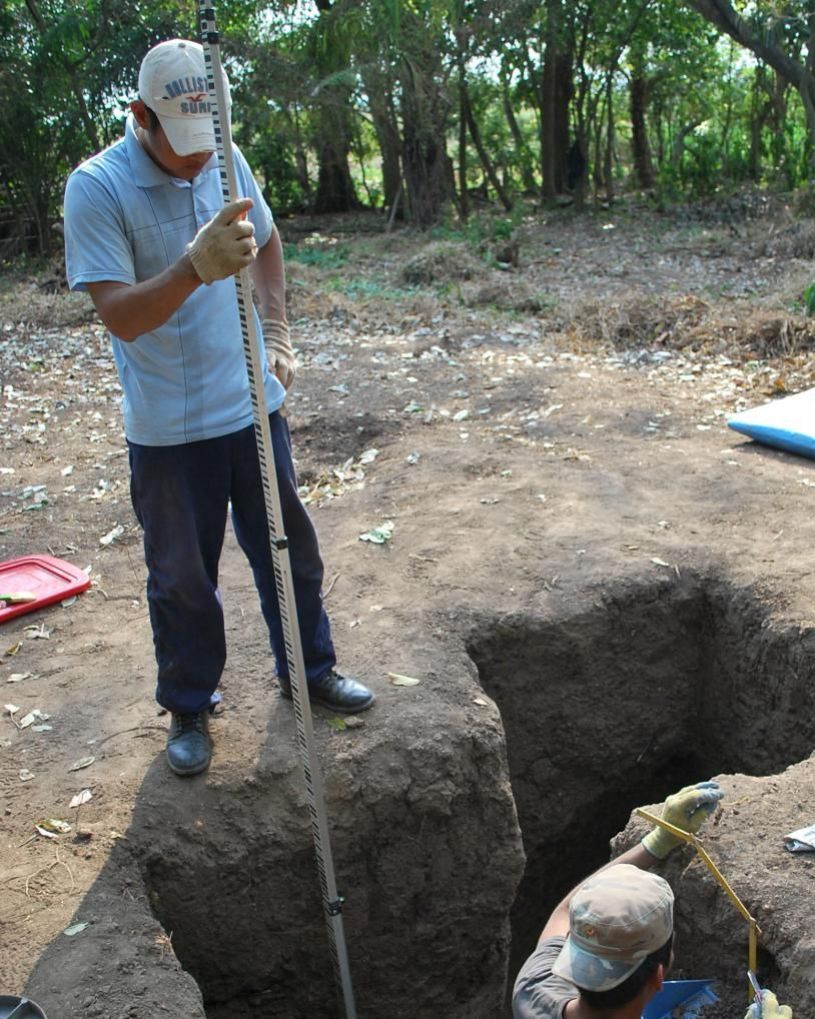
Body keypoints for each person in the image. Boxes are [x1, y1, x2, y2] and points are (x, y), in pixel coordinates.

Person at [63, 39, 374, 777]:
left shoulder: (225, 155)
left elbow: (265, 242)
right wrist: (192, 267)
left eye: (213, 145)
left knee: (288, 547)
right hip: (168, 429)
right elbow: (122, 316)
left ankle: (310, 669)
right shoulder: (97, 188)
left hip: (251, 407)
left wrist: (277, 330)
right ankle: (189, 704)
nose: (204, 163)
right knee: (181, 576)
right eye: (187, 149)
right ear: (142, 117)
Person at [512, 782, 793, 1019]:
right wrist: (656, 843)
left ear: (572, 962)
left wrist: (657, 842)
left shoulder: (534, 994)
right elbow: (566, 913)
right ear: (659, 977)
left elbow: (563, 913)